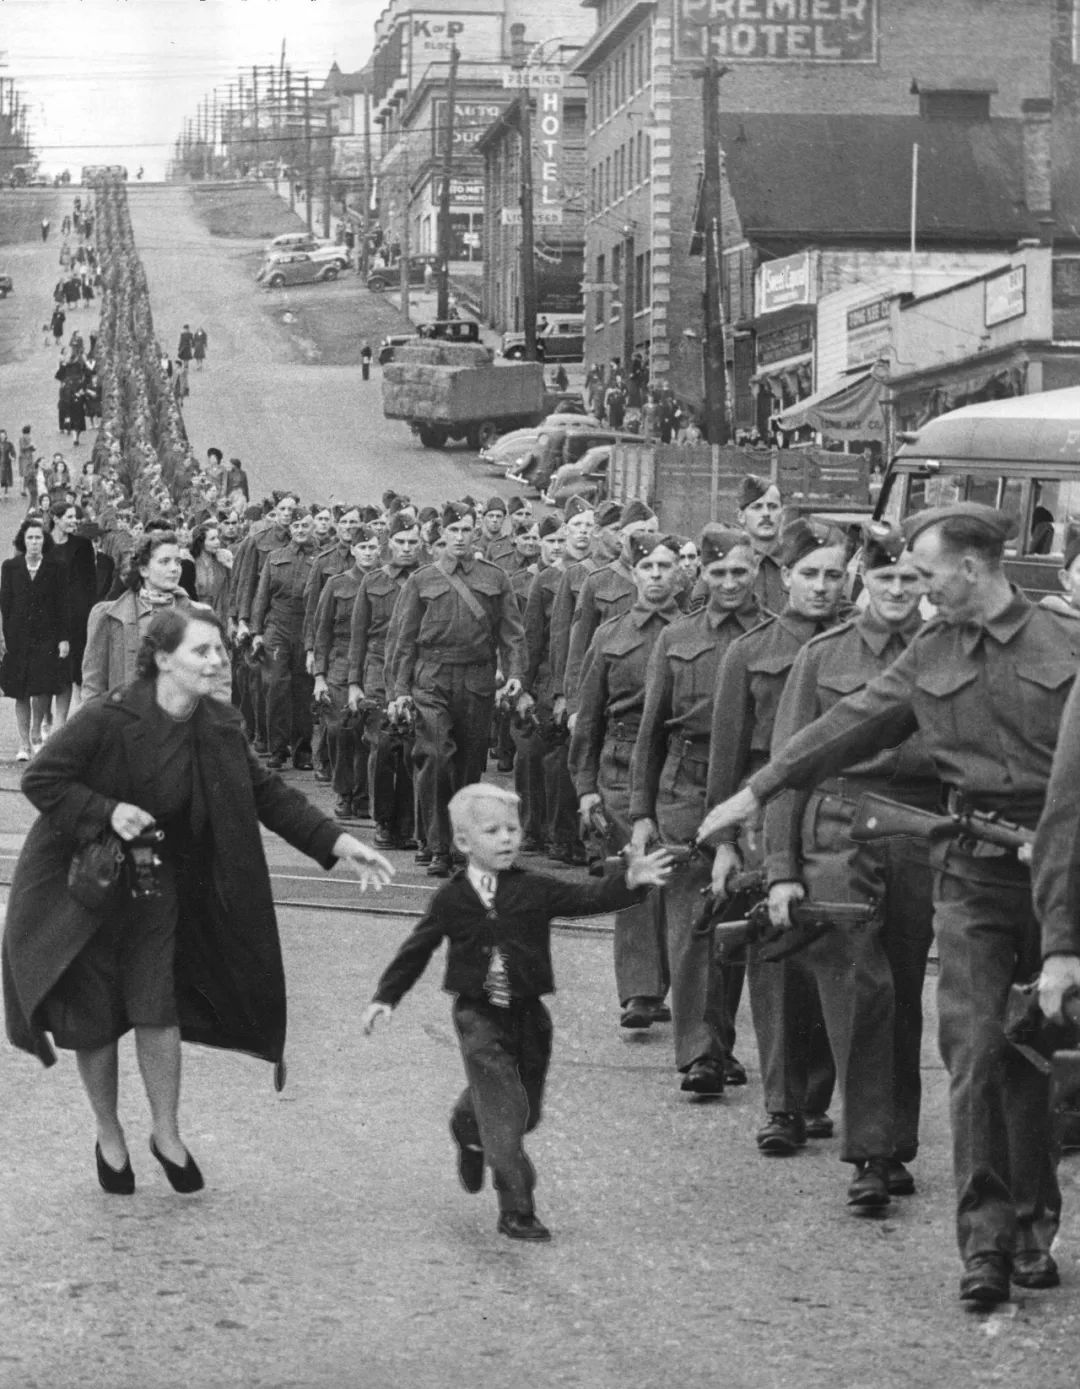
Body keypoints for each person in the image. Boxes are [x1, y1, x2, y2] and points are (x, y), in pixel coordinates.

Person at [699, 503, 1080, 1306]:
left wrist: (1064, 939)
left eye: (928, 571)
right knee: (974, 1052)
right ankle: (985, 1245)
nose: (919, 585)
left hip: (1061, 876)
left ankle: (1032, 1224)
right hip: (971, 875)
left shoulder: (1066, 645)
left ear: (970, 567)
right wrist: (759, 789)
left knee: (1034, 1054)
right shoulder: (933, 649)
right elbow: (851, 721)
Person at [2, 604, 393, 1197]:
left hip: (155, 885)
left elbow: (269, 795)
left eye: (219, 650)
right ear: (163, 660)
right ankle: (108, 1133)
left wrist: (342, 844)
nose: (217, 661)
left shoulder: (219, 725)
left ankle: (166, 1133)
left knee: (156, 1006)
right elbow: (40, 779)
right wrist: (107, 811)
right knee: (95, 1019)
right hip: (85, 889)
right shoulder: (108, 717)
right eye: (202, 651)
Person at [360, 783, 671, 1240]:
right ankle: (517, 1209)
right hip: (478, 1017)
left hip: (529, 1016)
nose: (507, 838)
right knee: (505, 1112)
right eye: (493, 831)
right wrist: (385, 998)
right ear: (463, 841)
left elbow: (587, 898)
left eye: (513, 829)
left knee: (525, 1112)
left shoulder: (533, 888)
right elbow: (417, 950)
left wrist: (630, 881)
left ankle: (468, 1126)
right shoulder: (451, 899)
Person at [758, 523, 939, 1209]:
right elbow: (789, 764)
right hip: (837, 835)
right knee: (860, 989)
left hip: (917, 835)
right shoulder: (822, 655)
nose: (896, 589)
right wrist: (781, 866)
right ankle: (870, 1152)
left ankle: (894, 1141)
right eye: (884, 577)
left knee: (903, 991)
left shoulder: (948, 652)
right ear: (864, 577)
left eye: (910, 578)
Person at [703, 518, 845, 1156]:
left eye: (833, 575)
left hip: (839, 815)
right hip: (768, 814)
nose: (821, 586)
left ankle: (816, 1096)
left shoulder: (860, 644)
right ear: (784, 575)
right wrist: (725, 841)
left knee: (836, 953)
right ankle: (784, 1105)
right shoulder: (750, 650)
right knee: (779, 959)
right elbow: (727, 756)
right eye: (808, 574)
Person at [628, 526, 765, 1090]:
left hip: (752, 787)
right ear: (701, 574)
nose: (729, 582)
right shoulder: (676, 636)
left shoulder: (775, 636)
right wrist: (641, 811)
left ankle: (718, 1041)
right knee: (692, 921)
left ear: (756, 570)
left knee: (735, 916)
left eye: (739, 571)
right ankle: (700, 1053)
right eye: (718, 572)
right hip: (685, 786)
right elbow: (651, 730)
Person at [569, 532, 685, 1029]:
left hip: (678, 767)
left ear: (680, 573)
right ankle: (641, 990)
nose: (656, 575)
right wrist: (585, 787)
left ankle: (674, 982)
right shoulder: (609, 635)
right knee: (637, 868)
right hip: (620, 764)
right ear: (633, 574)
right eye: (647, 567)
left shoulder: (694, 631)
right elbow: (589, 715)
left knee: (676, 875)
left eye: (665, 566)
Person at [386, 502, 527, 877]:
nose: (460, 537)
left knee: (468, 765)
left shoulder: (495, 578)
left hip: (477, 680)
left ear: (476, 532)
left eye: (466, 530)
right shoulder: (422, 580)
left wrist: (515, 672)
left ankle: (459, 843)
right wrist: (399, 690)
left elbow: (512, 633)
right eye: (453, 531)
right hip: (431, 679)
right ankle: (437, 846)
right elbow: (403, 640)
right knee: (436, 756)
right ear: (442, 534)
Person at [250, 509, 317, 771]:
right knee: (275, 686)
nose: (300, 530)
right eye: (296, 525)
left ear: (311, 528)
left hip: (305, 627)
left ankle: (303, 751)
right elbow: (261, 597)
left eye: (305, 526)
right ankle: (278, 749)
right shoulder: (275, 557)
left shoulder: (319, 560)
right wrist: (257, 632)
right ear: (290, 528)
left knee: (302, 690)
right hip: (277, 627)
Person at [82, 531, 185, 701]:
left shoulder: (196, 614)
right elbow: (93, 686)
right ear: (143, 570)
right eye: (165, 562)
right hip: (126, 713)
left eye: (178, 562)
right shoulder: (108, 616)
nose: (174, 569)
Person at [0, 518, 70, 761]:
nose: (34, 542)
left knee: (41, 689)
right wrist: (3, 637)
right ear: (23, 540)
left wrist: (63, 639)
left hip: (46, 638)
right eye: (29, 537)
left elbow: (62, 605)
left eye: (38, 537)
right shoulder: (10, 567)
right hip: (17, 638)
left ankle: (36, 734)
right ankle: (24, 744)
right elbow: (5, 604)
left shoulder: (56, 567)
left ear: (44, 540)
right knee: (20, 691)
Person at [736, 475, 786, 613]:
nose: (766, 513)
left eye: (773, 506)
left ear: (783, 514)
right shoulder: (726, 564)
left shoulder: (796, 562)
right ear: (741, 516)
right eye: (757, 507)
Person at [0, 428, 14, 500]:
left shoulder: (9, 444)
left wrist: (12, 457)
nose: (2, 436)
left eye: (3, 435)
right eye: (1, 435)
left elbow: (13, 452)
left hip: (7, 463)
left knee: (6, 478)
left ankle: (6, 492)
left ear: (5, 436)